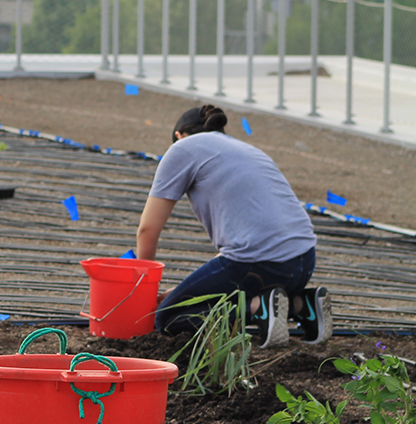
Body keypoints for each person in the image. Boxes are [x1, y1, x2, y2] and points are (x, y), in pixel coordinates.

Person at [135, 104, 331, 347]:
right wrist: (184, 290)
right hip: (302, 263)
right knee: (198, 298)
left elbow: (147, 230)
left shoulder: (181, 149)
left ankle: (259, 308)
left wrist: (142, 293)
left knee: (168, 316)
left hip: (260, 265)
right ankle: (303, 305)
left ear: (178, 136)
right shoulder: (246, 150)